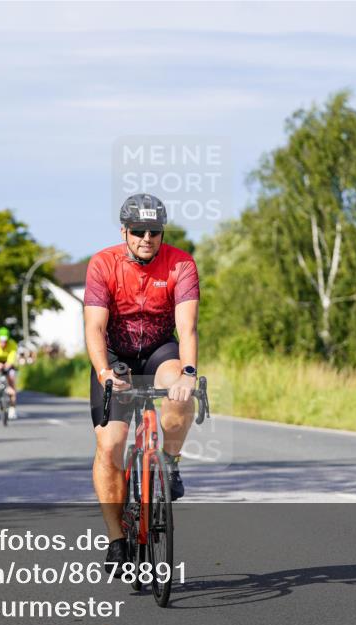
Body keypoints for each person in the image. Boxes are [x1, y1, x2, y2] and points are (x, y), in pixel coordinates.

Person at [83, 193, 200, 574]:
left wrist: (188, 374)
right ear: (125, 231)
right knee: (111, 445)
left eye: (154, 231)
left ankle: (170, 462)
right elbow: (94, 328)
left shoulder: (180, 263)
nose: (147, 237)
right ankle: (117, 539)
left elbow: (187, 327)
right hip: (115, 356)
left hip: (158, 351)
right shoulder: (103, 263)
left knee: (181, 397)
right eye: (138, 231)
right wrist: (104, 373)